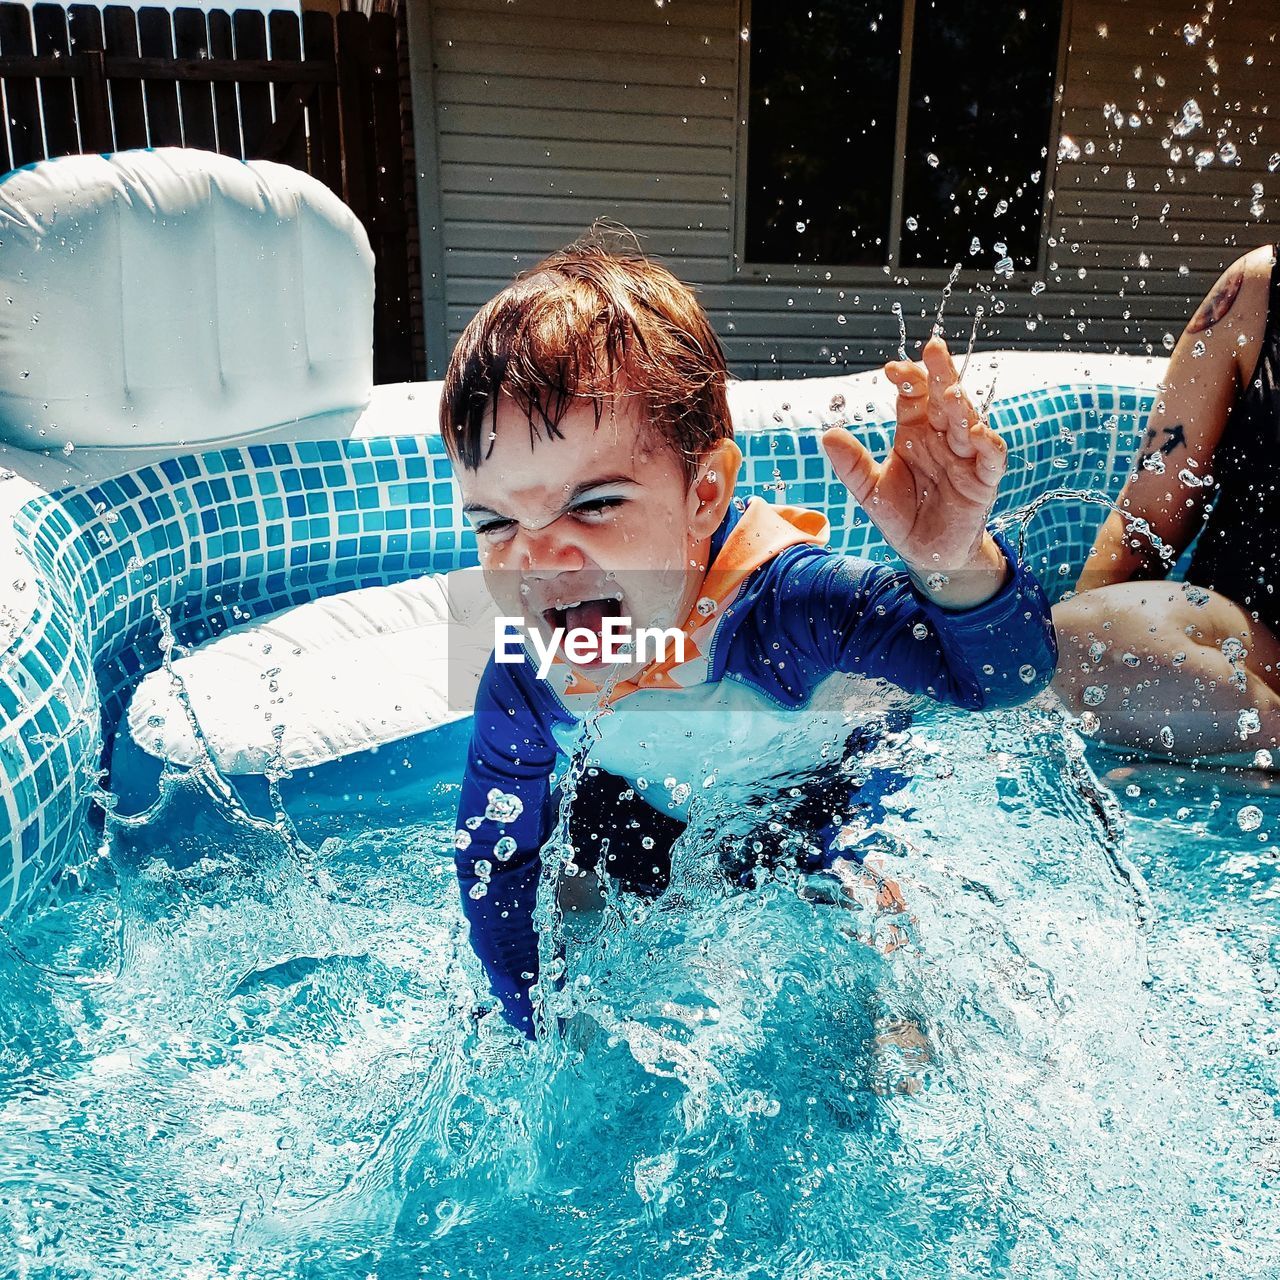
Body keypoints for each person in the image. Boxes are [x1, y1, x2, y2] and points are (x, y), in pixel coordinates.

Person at [441, 236, 1057, 1038]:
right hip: (642, 815)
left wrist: (952, 565)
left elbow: (1005, 680)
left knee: (874, 938)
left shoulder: (790, 609)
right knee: (562, 900)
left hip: (812, 812)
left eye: (592, 505)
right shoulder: (528, 673)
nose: (538, 559)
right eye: (494, 522)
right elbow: (493, 863)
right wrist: (535, 1022)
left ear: (705, 495)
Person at [1052, 245, 1280, 761]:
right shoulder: (1258, 292)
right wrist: (1073, 674)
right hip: (1249, 657)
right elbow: (1148, 520)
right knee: (1085, 639)